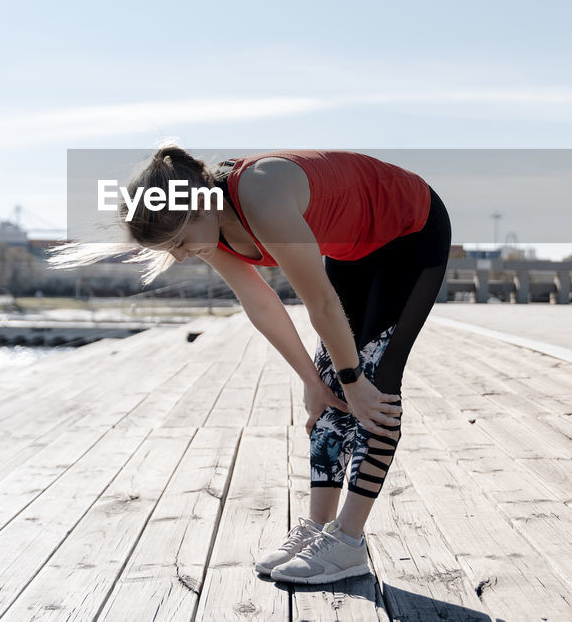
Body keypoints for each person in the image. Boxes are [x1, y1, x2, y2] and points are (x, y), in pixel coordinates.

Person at [118, 145, 451, 585]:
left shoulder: (260, 196)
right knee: (330, 390)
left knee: (374, 384)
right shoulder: (208, 226)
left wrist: (354, 380)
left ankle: (348, 542)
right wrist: (313, 381)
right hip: (354, 248)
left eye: (179, 242)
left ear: (200, 201)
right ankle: (318, 530)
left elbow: (319, 302)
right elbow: (260, 303)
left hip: (410, 228)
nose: (180, 256)